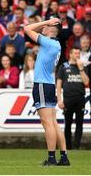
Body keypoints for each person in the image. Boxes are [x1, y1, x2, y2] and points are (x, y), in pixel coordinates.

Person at [24, 17, 70, 166]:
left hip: (43, 85)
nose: (43, 28)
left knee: (47, 123)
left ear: (51, 28)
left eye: (47, 26)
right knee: (54, 123)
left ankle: (51, 158)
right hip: (48, 84)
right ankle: (63, 157)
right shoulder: (55, 44)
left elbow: (27, 29)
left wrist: (46, 22)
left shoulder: (49, 42)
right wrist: (46, 23)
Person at [57, 47, 90, 150]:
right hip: (68, 98)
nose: (77, 55)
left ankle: (77, 146)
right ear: (70, 54)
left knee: (79, 124)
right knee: (68, 124)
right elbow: (58, 84)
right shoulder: (64, 66)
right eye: (75, 53)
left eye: (78, 53)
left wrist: (81, 69)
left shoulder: (83, 67)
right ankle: (68, 146)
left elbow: (86, 82)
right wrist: (59, 100)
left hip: (80, 98)